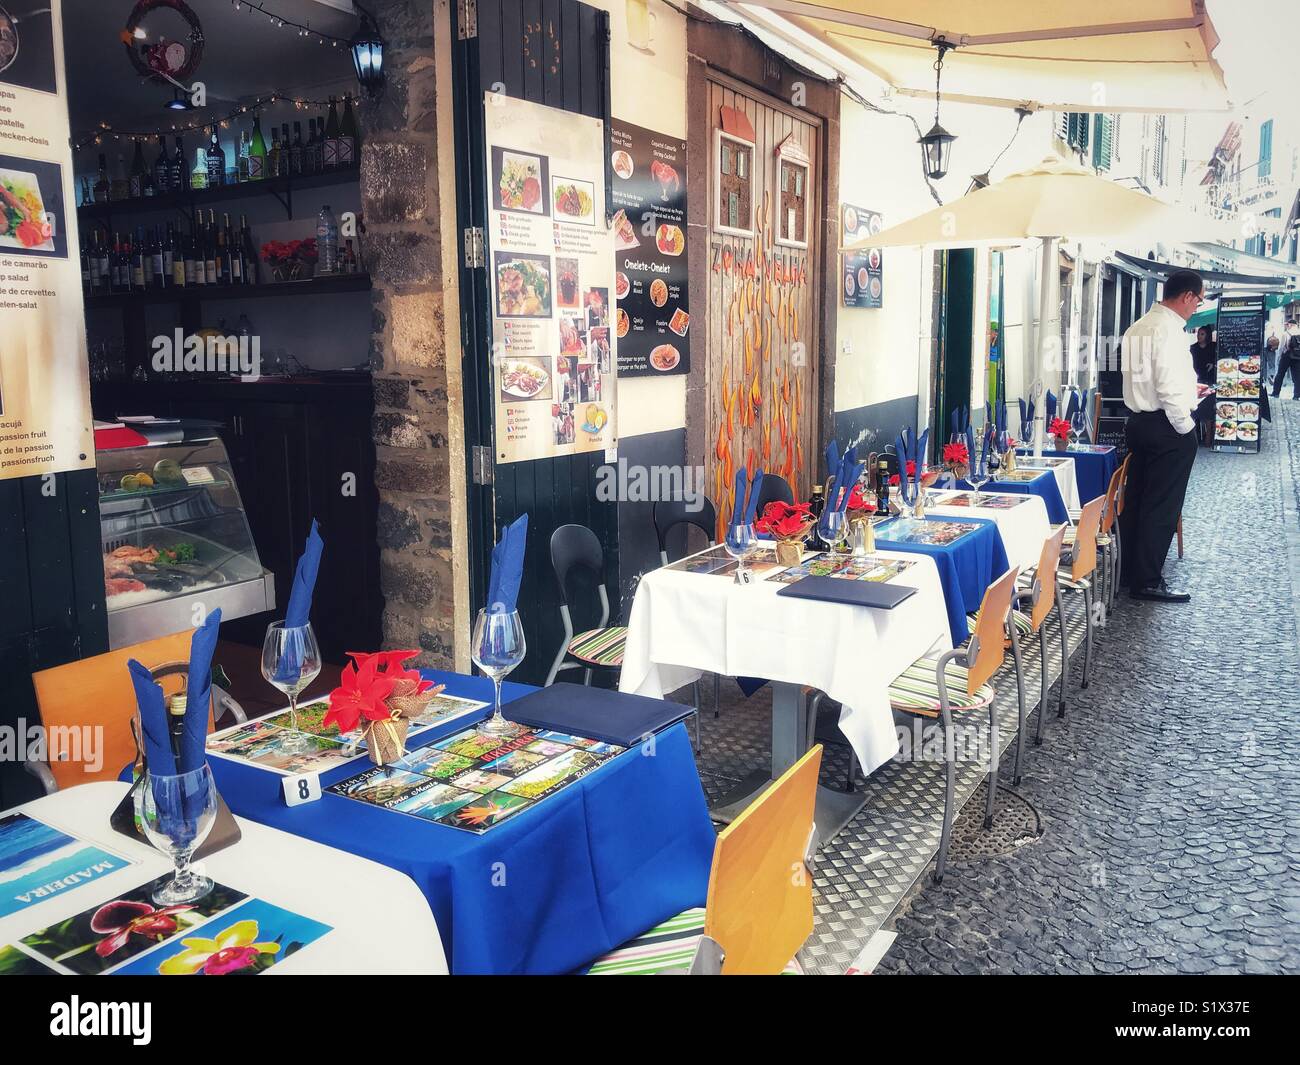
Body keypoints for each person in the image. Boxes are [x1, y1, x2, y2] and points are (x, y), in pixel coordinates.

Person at [1118, 269, 1203, 603]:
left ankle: (1127, 572)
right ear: (1186, 296)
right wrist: (1186, 426)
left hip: (1139, 421)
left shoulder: (1137, 328)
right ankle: (1148, 580)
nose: (1198, 306)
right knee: (1161, 505)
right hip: (1167, 426)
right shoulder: (1167, 331)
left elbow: (1140, 378)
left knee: (1137, 500)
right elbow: (1167, 386)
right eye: (1199, 300)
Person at [1189, 326, 1217, 446]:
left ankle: (1209, 434)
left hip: (1210, 381)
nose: (1199, 336)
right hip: (1196, 379)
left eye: (1202, 334)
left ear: (1207, 335)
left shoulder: (1213, 347)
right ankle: (1195, 435)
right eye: (1199, 334)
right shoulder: (1193, 348)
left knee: (1208, 407)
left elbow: (1218, 359)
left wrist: (1213, 364)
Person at [1273, 321, 1300, 400]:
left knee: (1280, 374)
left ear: (1291, 325)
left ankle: (1276, 393)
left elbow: (1281, 347)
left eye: (1288, 324)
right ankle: (1296, 395)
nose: (1287, 326)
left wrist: (1278, 357)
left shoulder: (1286, 333)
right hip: (1297, 357)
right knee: (1297, 377)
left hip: (1287, 356)